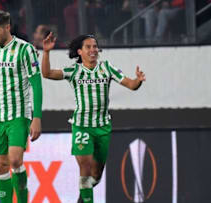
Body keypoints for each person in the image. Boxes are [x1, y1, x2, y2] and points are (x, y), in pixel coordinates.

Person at [41, 33, 146, 203]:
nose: (93, 50)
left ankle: (82, 198)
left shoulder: (107, 68)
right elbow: (47, 74)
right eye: (88, 47)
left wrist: (138, 80)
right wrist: (46, 52)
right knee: (85, 166)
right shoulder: (74, 71)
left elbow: (131, 85)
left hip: (103, 127)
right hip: (81, 125)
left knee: (95, 175)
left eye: (95, 46)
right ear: (80, 52)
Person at [0, 10, 43, 203]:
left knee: (14, 160)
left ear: (7, 27)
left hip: (18, 115)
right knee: (1, 165)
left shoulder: (25, 49)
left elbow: (36, 84)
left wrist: (37, 117)